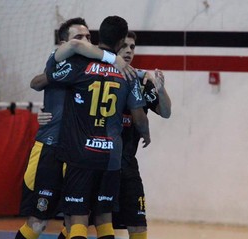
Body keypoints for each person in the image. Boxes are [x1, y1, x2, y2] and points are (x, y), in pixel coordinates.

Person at [15, 17, 130, 239]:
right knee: (38, 221)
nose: (86, 42)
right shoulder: (59, 59)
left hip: (76, 152)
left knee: (73, 221)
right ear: (63, 43)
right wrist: (113, 57)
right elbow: (36, 82)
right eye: (79, 37)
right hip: (51, 147)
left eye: (89, 37)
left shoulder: (86, 66)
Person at [44, 16, 150, 239]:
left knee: (78, 218)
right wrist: (145, 132)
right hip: (111, 157)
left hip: (81, 153)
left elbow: (48, 76)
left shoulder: (78, 64)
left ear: (98, 36)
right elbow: (139, 117)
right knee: (104, 218)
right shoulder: (128, 74)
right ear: (121, 42)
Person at [112, 31, 171, 239]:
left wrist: (161, 90)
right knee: (83, 222)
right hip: (99, 163)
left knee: (138, 224)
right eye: (124, 46)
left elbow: (166, 112)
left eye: (132, 47)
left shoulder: (142, 80)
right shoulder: (103, 76)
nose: (129, 51)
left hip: (128, 165)